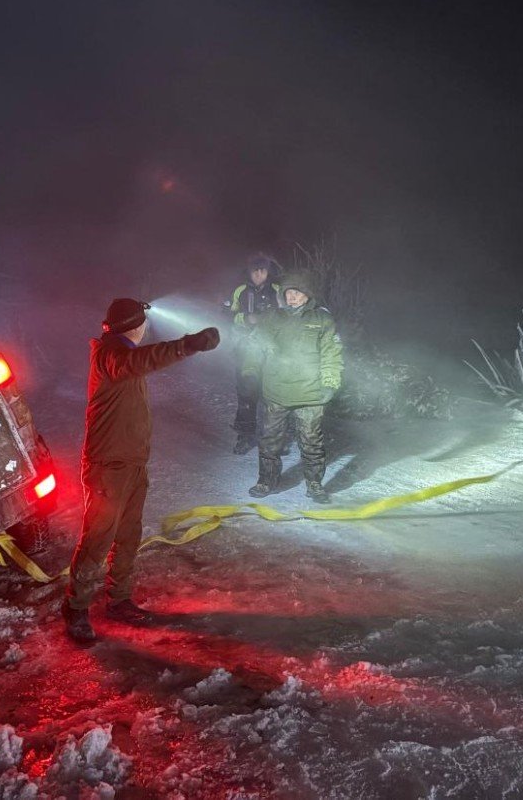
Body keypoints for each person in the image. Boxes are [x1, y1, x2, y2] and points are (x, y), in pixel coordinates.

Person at [62, 298, 221, 643]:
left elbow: (138, 362)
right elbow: (140, 361)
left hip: (132, 464)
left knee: (128, 536)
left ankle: (118, 601)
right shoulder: (111, 356)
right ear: (137, 325)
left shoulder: (120, 354)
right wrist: (188, 344)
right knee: (98, 539)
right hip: (109, 468)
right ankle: (75, 609)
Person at [243, 272, 343, 503]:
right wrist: (250, 372)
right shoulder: (272, 318)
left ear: (307, 295)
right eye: (288, 293)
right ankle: (266, 481)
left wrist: (330, 383)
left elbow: (332, 354)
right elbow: (254, 347)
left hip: (311, 394)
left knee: (311, 442)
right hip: (276, 392)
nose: (292, 297)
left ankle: (315, 484)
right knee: (269, 440)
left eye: (297, 292)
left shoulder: (323, 320)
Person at [227, 252, 283, 455]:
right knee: (247, 395)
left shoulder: (278, 290)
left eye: (263, 270)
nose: (259, 275)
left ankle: (276, 438)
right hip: (245, 350)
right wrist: (245, 319)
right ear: (249, 272)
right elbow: (227, 315)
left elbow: (288, 316)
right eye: (255, 271)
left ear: (268, 271)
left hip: (272, 352)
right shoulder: (240, 291)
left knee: (273, 396)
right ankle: (245, 436)